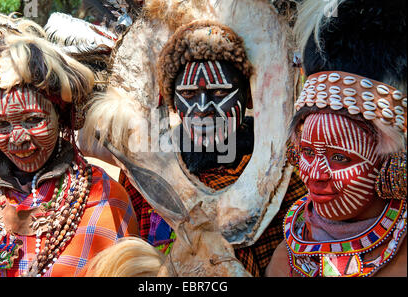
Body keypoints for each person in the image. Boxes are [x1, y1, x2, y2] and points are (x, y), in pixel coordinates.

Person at [114, 19, 307, 277]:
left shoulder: (282, 176)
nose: (203, 110)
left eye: (218, 93)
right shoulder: (148, 173)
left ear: (247, 95)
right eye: (189, 95)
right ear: (172, 102)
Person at [0, 14, 138, 277]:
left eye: (33, 120)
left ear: (62, 115)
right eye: (2, 125)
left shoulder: (105, 201)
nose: (18, 138)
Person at [266, 0, 406, 277]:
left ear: (391, 163)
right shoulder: (285, 257)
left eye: (340, 157)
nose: (315, 175)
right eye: (307, 152)